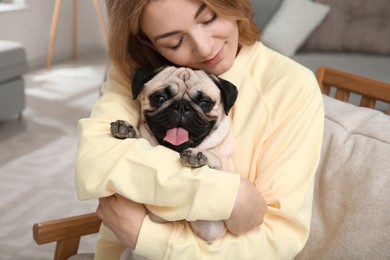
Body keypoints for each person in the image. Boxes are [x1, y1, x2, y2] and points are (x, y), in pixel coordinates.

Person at [75, 0, 324, 259]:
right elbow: (94, 164)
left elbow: (279, 239)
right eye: (174, 42)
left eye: (208, 19)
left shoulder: (291, 85)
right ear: (148, 42)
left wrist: (144, 234)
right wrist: (226, 195)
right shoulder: (135, 71)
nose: (205, 47)